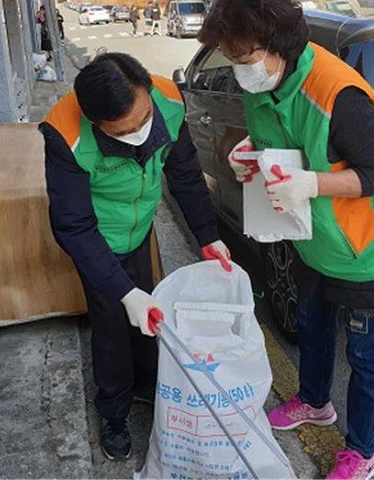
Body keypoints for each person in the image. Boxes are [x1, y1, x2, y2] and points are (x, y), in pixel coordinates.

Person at [198, 0, 374, 480]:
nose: (239, 71)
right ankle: (314, 401)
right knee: (313, 328)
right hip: (311, 239)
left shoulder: (336, 92)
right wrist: (251, 157)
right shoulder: (265, 82)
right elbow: (282, 143)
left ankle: (363, 451)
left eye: (243, 58)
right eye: (231, 59)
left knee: (369, 359)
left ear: (277, 45)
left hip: (368, 251)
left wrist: (311, 185)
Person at [39, 52, 232, 462]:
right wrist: (123, 292)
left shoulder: (167, 98)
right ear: (96, 121)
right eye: (125, 129)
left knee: (150, 316)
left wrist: (206, 236)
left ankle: (145, 381)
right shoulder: (64, 133)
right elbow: (72, 225)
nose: (141, 131)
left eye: (144, 118)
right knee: (111, 324)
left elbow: (184, 173)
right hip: (99, 241)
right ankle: (113, 410)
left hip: (140, 230)